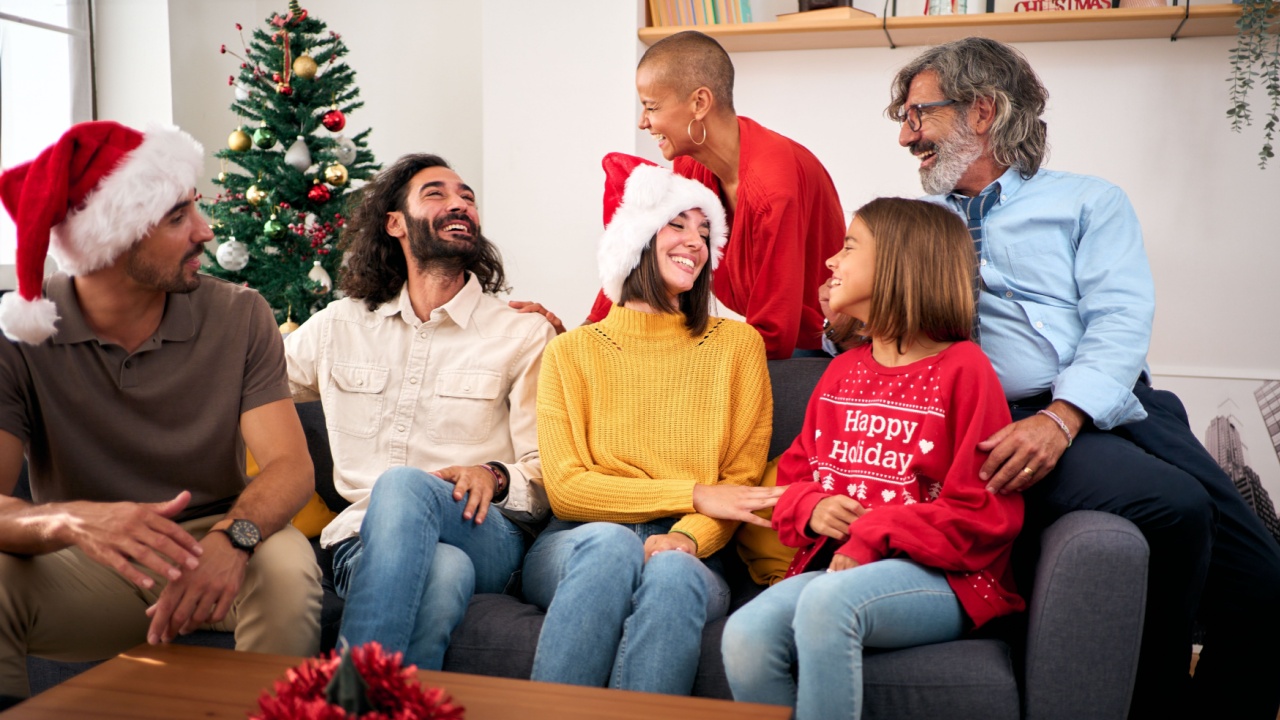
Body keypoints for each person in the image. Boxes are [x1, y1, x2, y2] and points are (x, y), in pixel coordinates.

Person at [888, 37, 1280, 719]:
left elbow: (1121, 320)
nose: (904, 135)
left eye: (919, 114)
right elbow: (870, 321)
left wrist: (1064, 417)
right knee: (1175, 509)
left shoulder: (1088, 202)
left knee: (1264, 579)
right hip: (1007, 415)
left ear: (982, 111)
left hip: (1120, 406)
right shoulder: (914, 225)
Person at [0, 121, 321, 704]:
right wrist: (71, 522)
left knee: (287, 574)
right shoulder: (17, 342)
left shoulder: (241, 314)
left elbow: (290, 467)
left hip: (220, 540)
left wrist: (234, 538)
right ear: (113, 240)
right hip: (92, 561)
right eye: (178, 218)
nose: (206, 231)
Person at [721, 197, 1024, 720]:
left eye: (849, 246)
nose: (830, 262)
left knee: (826, 604)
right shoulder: (841, 374)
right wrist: (812, 506)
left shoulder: (964, 370)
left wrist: (872, 533)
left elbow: (983, 512)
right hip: (843, 571)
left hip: (944, 578)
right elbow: (794, 478)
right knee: (745, 633)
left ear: (900, 266)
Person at [284, 153, 555, 671]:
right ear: (394, 224)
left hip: (484, 532)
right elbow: (253, 387)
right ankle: (400, 704)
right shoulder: (338, 325)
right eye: (436, 194)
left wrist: (494, 475)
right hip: (363, 540)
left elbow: (547, 472)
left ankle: (346, 696)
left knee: (405, 485)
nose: (459, 204)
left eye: (467, 197)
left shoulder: (522, 334)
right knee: (444, 570)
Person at [523, 152, 778, 695]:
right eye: (677, 223)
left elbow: (739, 482)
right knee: (613, 549)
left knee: (671, 574)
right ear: (633, 239)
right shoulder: (572, 353)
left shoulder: (737, 346)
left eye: (705, 231)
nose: (695, 241)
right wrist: (693, 492)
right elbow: (567, 490)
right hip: (577, 542)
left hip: (697, 548)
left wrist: (686, 535)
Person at [583, 31, 845, 360]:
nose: (643, 122)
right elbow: (639, 248)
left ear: (699, 103)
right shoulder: (692, 165)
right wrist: (587, 333)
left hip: (814, 348)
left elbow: (776, 335)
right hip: (764, 338)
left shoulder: (774, 188)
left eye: (651, 107)